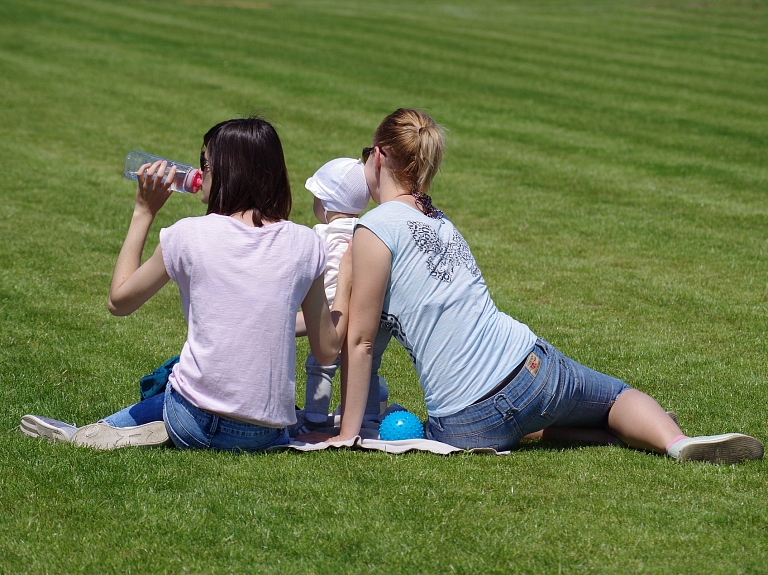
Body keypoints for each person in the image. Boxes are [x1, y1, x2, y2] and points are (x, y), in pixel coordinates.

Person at [326, 108, 763, 464]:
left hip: (466, 425)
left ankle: (599, 435)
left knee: (525, 422)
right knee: (616, 398)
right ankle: (672, 441)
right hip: (529, 373)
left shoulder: (372, 228)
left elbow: (361, 342)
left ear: (379, 154)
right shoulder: (440, 220)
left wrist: (347, 435)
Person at [20, 117, 350, 452]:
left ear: (224, 172)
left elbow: (119, 301)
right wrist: (346, 295)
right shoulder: (305, 244)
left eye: (204, 163)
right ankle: (144, 424)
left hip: (193, 421)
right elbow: (326, 349)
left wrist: (143, 211)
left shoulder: (188, 234)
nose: (198, 171)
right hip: (265, 434)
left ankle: (101, 430)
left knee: (169, 377)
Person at [292, 158, 390, 435]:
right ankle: (369, 416)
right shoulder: (370, 230)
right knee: (367, 365)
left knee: (321, 362)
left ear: (325, 203)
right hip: (374, 312)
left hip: (334, 311)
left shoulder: (320, 234)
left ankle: (314, 414)